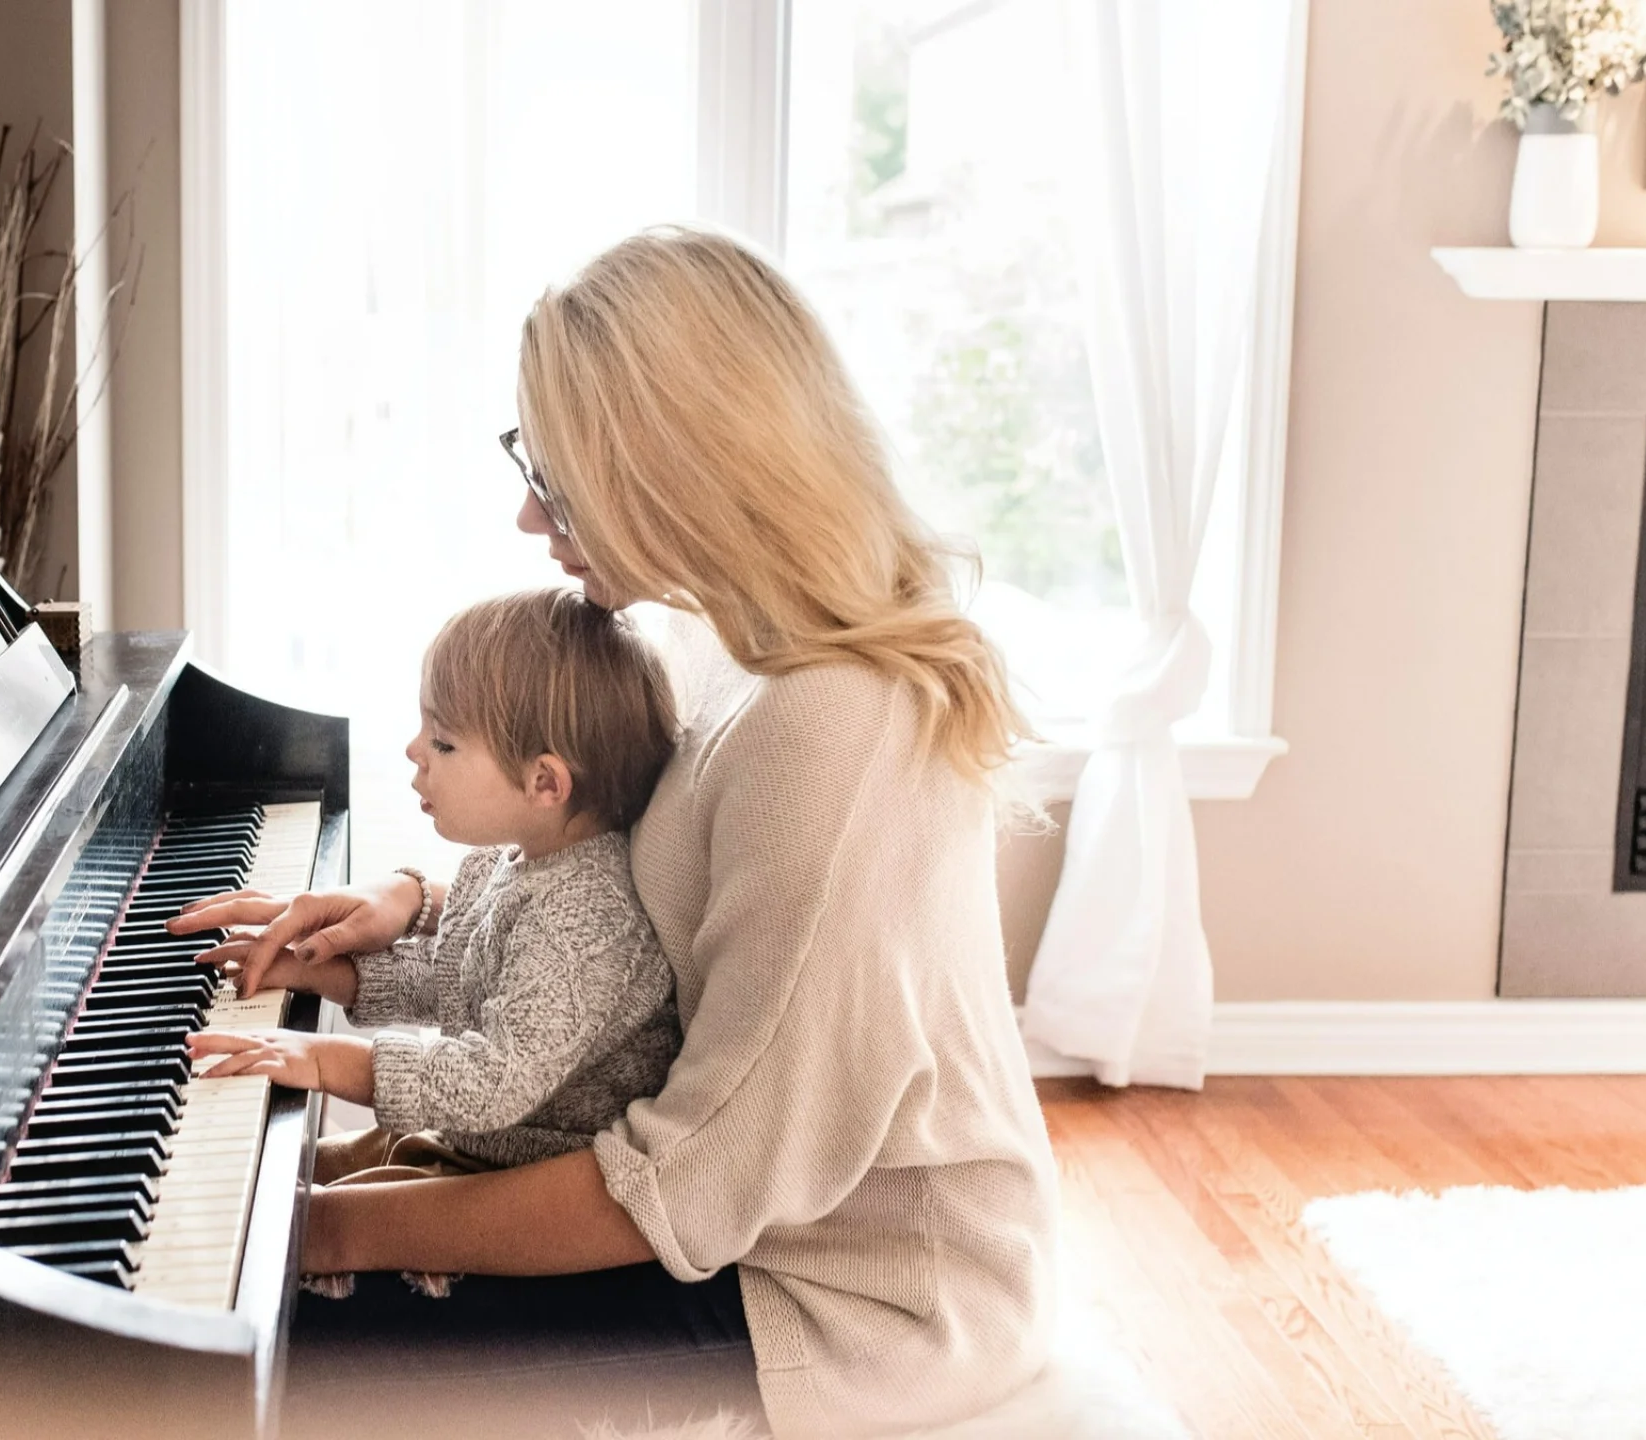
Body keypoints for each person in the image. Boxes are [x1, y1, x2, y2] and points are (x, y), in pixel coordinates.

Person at [171, 226, 1059, 1438]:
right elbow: (609, 899)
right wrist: (406, 910)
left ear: (677, 464)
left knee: (233, 1352)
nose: (531, 517)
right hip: (723, 1223)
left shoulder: (830, 730)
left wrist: (304, 1227)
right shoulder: (717, 646)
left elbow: (681, 1186)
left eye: (558, 474)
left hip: (832, 1301)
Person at [180, 587, 683, 1299]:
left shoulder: (590, 919)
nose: (415, 753)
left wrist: (329, 1061)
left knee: (266, 1243)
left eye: (443, 742)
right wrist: (324, 972)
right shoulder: (517, 860)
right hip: (486, 1148)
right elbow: (457, 979)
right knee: (245, 1175)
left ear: (545, 781)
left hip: (519, 1187)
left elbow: (493, 1080)